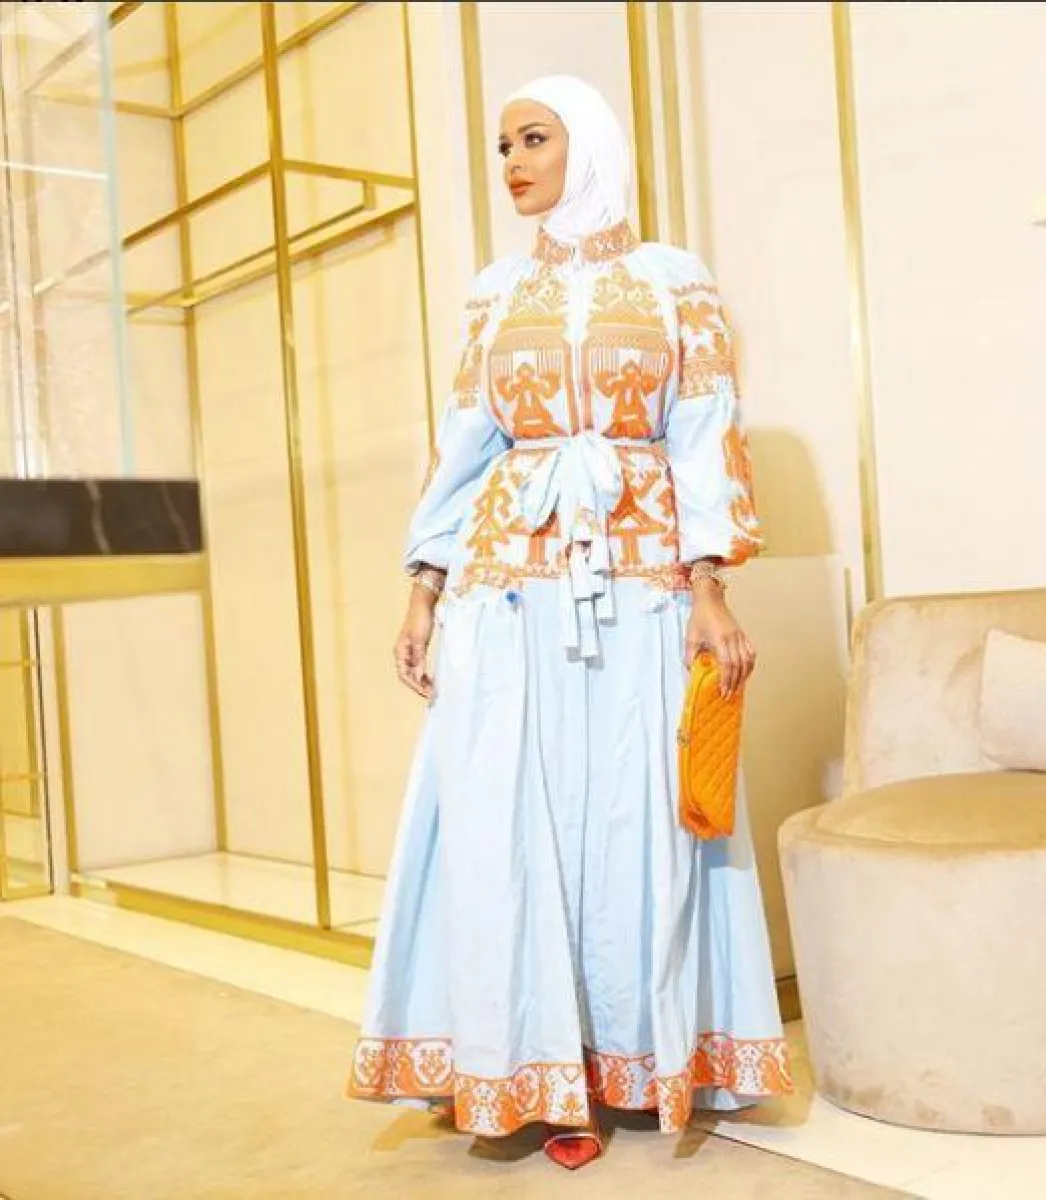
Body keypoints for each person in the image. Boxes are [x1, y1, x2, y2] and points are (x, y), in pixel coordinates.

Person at [348, 74, 791, 1171]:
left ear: (586, 144)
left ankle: (631, 1060)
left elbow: (704, 430)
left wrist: (709, 587)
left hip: (642, 580)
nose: (512, 163)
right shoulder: (495, 294)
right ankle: (530, 1071)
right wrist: (423, 585)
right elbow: (464, 442)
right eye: (503, 145)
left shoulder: (674, 281)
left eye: (533, 139)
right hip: (508, 583)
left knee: (634, 815)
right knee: (508, 815)